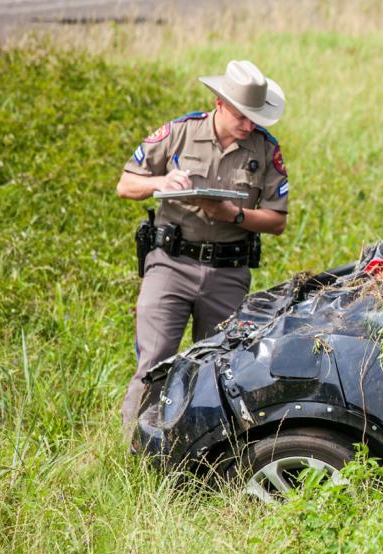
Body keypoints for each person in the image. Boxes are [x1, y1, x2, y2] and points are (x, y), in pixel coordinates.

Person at [116, 60, 290, 431]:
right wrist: (160, 181)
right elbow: (126, 184)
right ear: (219, 104)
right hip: (170, 264)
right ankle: (131, 443)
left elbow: (277, 221)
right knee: (155, 361)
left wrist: (234, 215)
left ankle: (203, 449)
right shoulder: (179, 133)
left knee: (219, 367)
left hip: (228, 271)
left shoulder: (265, 149)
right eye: (242, 116)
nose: (248, 126)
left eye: (255, 118)